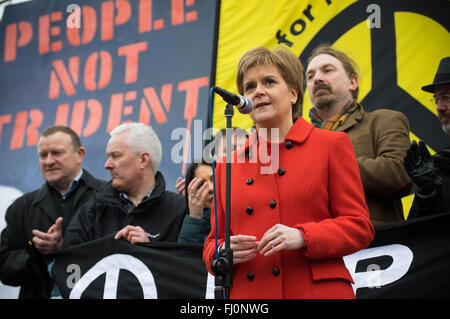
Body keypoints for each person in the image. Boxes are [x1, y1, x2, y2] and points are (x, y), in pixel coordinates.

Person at [202, 46, 374, 299]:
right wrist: (221, 251)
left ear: (293, 93)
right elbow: (211, 243)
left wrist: (304, 236)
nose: (258, 91)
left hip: (316, 292)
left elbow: (359, 227)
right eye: (249, 87)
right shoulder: (226, 166)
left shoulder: (331, 145)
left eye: (269, 81)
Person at [306, 44, 412, 225]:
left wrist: (330, 165)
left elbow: (399, 174)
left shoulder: (384, 120)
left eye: (327, 70)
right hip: (316, 246)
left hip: (372, 245)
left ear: (352, 82)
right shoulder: (300, 139)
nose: (317, 79)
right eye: (310, 76)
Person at [0, 126, 105, 299]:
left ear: (80, 154)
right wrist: (36, 253)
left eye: (56, 153)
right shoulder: (21, 207)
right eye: (43, 155)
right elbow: (4, 268)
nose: (48, 161)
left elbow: (120, 256)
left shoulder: (109, 197)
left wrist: (65, 247)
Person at [63, 122, 186, 247]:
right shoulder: (93, 209)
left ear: (143, 160)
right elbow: (70, 261)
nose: (107, 165)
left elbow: (187, 262)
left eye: (115, 156)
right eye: (108, 157)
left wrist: (150, 250)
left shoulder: (180, 210)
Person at [404, 56, 450, 218]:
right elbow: (421, 235)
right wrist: (427, 192)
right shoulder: (442, 162)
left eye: (446, 97)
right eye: (436, 99)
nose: (439, 107)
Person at [175, 127, 249, 195]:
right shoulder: (208, 194)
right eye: (231, 149)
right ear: (215, 158)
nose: (240, 153)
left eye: (246, 149)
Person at [177, 160, 213, 244]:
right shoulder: (182, 219)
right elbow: (185, 254)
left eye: (214, 179)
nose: (211, 188)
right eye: (201, 184)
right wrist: (195, 216)